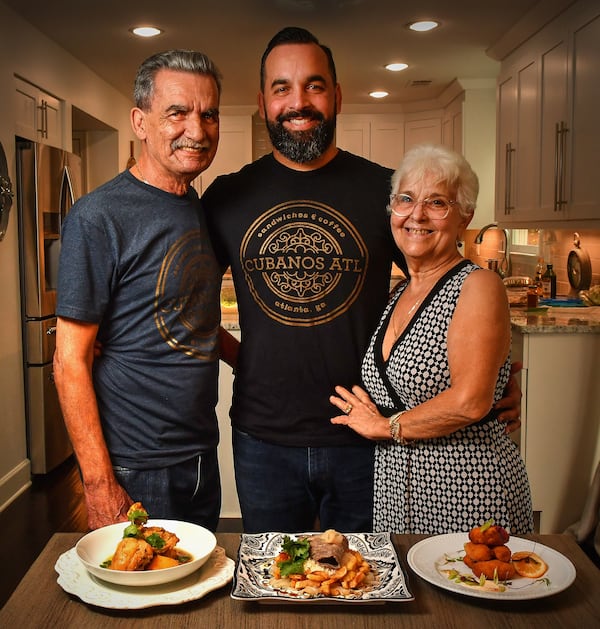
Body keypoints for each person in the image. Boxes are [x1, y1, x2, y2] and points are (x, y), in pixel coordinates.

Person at [202, 27, 522, 534]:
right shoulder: (227, 196)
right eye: (282, 87)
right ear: (263, 100)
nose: (298, 101)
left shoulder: (386, 191)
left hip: (366, 439)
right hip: (263, 438)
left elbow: (445, 281)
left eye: (314, 85)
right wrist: (247, 358)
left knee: (364, 589)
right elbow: (184, 301)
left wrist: (498, 376)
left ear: (337, 95)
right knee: (276, 588)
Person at [53, 50, 224, 531]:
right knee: (141, 601)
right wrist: (99, 484)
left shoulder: (198, 209)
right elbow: (69, 362)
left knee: (196, 596)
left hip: (198, 454)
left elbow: (194, 322)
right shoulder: (98, 216)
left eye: (208, 114)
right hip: (135, 465)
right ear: (140, 121)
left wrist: (263, 364)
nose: (197, 129)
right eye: (177, 112)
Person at [330, 144, 533, 535]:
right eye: (405, 200)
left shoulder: (478, 286)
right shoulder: (399, 294)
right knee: (412, 594)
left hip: (467, 488)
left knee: (470, 588)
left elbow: (470, 402)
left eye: (437, 202)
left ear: (464, 216)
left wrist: (383, 427)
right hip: (397, 491)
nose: (416, 215)